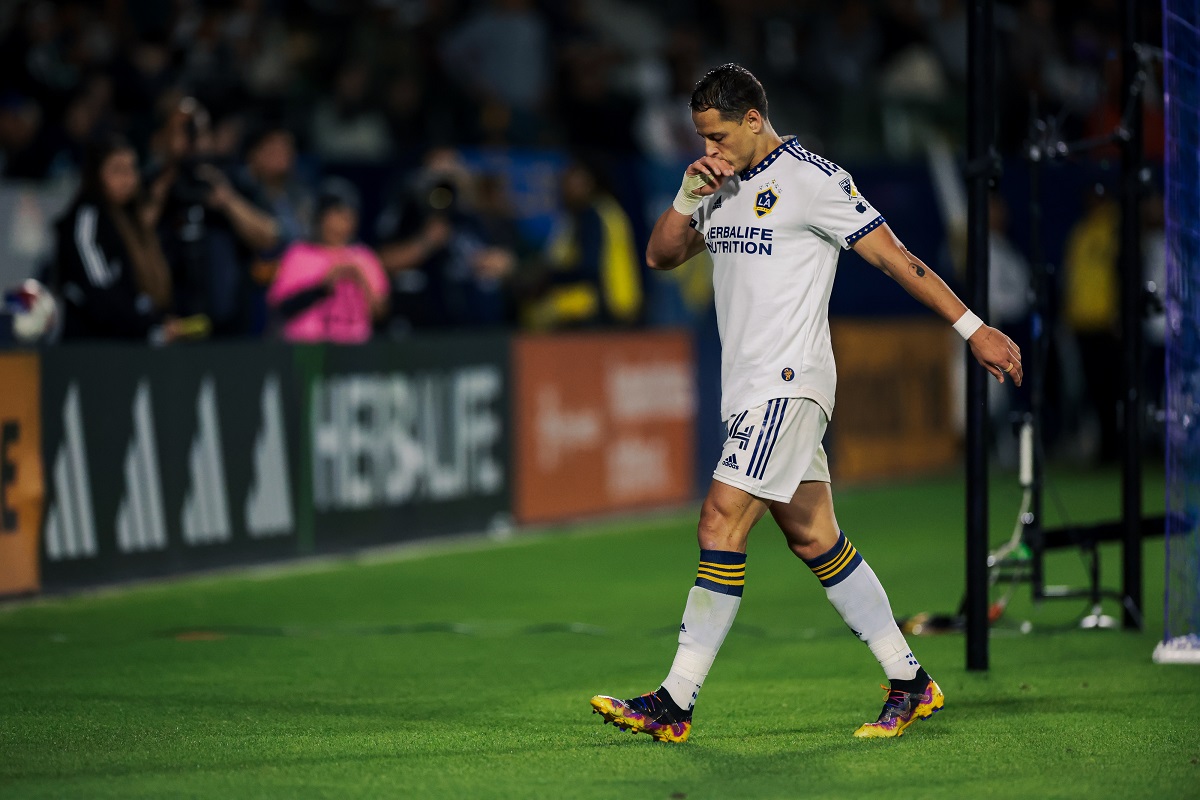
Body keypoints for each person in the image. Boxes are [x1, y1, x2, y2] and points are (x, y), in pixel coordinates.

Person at [590, 64, 1023, 743]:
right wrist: (684, 194)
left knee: (719, 523)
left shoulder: (815, 182)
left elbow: (895, 258)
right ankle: (910, 682)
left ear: (754, 120)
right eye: (700, 137)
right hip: (751, 389)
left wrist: (973, 329)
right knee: (814, 535)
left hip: (788, 384)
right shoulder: (717, 183)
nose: (709, 149)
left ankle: (674, 702)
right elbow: (660, 256)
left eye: (718, 135)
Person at [144, 97, 280, 336]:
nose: (192, 139)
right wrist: (163, 187)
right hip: (170, 324)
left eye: (198, 129)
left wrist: (228, 202)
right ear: (163, 136)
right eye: (182, 130)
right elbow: (134, 238)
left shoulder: (229, 178)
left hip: (229, 325)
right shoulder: (154, 183)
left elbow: (269, 235)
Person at [53, 135, 178, 342]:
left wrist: (157, 322)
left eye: (132, 169)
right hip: (91, 349)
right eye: (117, 170)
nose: (128, 179)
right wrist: (147, 327)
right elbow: (99, 293)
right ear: (96, 174)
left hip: (127, 345)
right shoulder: (87, 217)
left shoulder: (130, 218)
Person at [523, 160, 642, 330]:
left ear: (590, 184)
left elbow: (590, 266)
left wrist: (550, 278)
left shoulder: (592, 215)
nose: (567, 191)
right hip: (622, 303)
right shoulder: (608, 209)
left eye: (574, 184)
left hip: (605, 306)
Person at [267, 178, 388, 344]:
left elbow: (380, 314)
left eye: (349, 216)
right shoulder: (299, 254)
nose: (343, 223)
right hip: (306, 349)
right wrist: (323, 285)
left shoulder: (365, 257)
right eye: (336, 215)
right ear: (321, 217)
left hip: (354, 350)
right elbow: (280, 309)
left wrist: (360, 278)